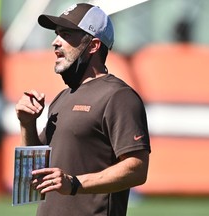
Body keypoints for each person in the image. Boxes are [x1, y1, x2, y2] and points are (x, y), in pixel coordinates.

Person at [15, 3, 151, 216]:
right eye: (57, 34)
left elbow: (137, 169)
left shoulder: (119, 96)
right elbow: (34, 174)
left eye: (66, 34)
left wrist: (74, 183)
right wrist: (27, 123)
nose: (55, 42)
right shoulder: (62, 97)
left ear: (94, 45)